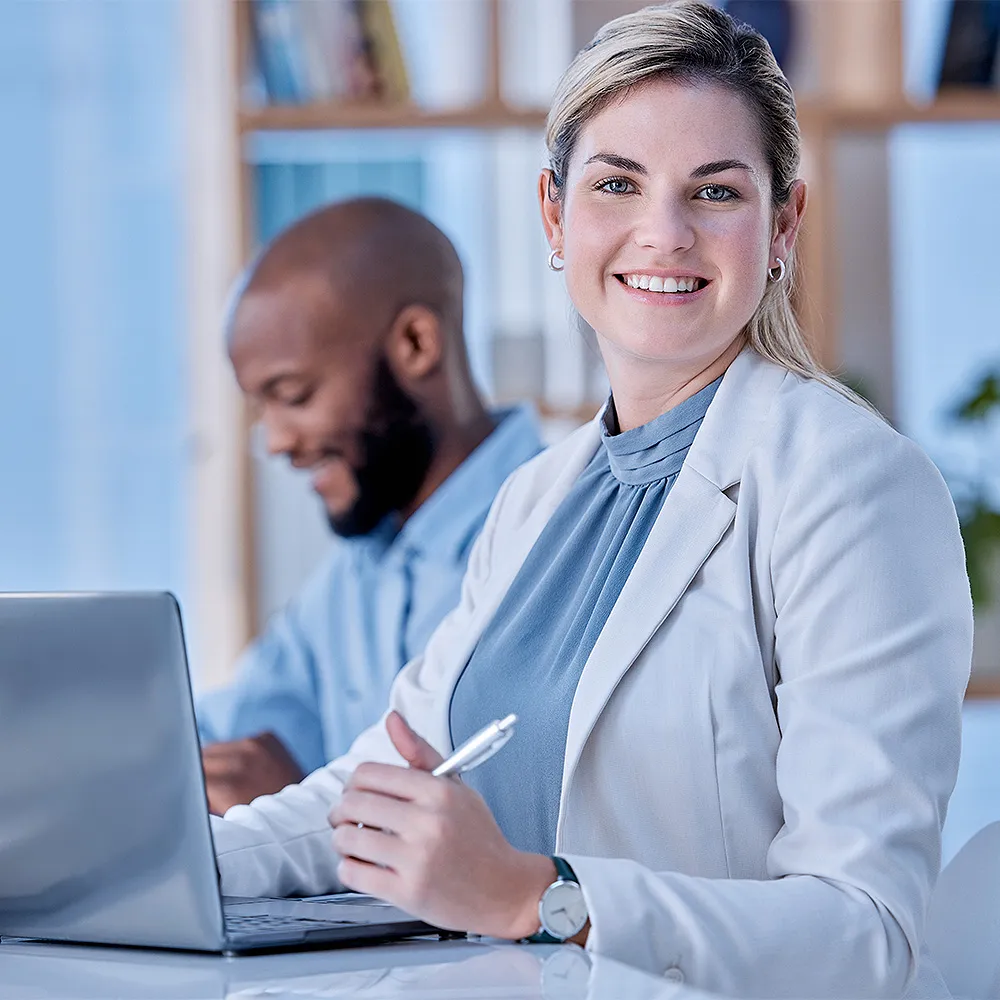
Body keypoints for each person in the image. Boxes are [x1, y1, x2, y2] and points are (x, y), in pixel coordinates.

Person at [208, 5, 973, 996]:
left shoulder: (851, 485)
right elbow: (379, 784)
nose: (664, 232)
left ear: (782, 222)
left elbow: (864, 934)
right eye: (617, 183)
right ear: (554, 216)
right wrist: (159, 867)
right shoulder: (537, 496)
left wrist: (540, 897)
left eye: (715, 191)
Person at [197, 197, 542, 815]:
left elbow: (514, 822)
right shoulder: (353, 576)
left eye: (294, 395)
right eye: (262, 407)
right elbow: (224, 733)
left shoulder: (554, 535)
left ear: (415, 343)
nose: (276, 442)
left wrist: (301, 812)